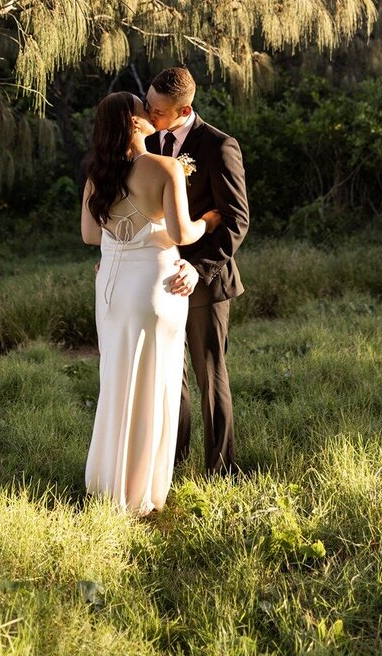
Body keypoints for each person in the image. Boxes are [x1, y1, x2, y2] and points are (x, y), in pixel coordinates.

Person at [81, 91, 221, 515]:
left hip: (111, 288)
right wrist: (209, 220)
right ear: (134, 123)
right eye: (145, 112)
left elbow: (91, 236)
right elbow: (181, 234)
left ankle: (107, 486)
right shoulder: (163, 168)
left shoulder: (97, 175)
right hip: (153, 289)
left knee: (117, 382)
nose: (152, 115)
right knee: (154, 386)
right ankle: (142, 492)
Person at [144, 66, 248, 474]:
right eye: (148, 104)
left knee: (209, 377)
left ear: (184, 109)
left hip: (205, 279)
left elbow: (236, 220)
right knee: (172, 377)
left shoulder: (219, 146)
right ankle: (173, 464)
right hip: (158, 277)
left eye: (157, 111)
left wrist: (197, 267)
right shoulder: (148, 140)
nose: (149, 114)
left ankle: (221, 471)